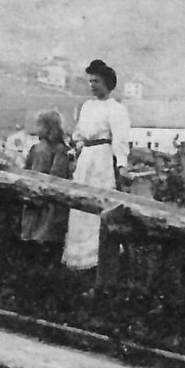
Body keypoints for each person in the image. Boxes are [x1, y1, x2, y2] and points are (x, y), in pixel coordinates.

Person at [62, 59, 130, 270]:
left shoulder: (115, 109)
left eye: (97, 81)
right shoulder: (87, 106)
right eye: (90, 81)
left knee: (99, 202)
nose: (92, 85)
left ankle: (99, 257)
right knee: (81, 205)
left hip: (102, 159)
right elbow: (80, 134)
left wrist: (122, 165)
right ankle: (78, 259)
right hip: (86, 159)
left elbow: (120, 139)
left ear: (107, 83)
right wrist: (76, 149)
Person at [20, 108, 71, 261]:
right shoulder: (35, 149)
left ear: (49, 128)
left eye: (40, 126)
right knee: (31, 237)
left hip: (49, 202)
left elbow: (58, 176)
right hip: (33, 198)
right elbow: (26, 170)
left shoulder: (61, 150)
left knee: (46, 237)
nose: (37, 130)